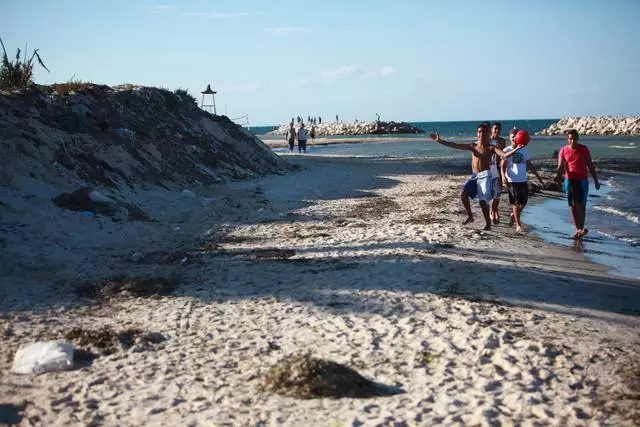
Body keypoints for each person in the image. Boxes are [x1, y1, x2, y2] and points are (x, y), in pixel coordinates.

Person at [429, 123, 522, 230]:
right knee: (463, 195)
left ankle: (488, 223)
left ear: (488, 134)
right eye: (479, 131)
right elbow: (455, 145)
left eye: (484, 132)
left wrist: (516, 149)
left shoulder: (491, 148)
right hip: (474, 175)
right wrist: (440, 141)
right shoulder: (473, 146)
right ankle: (470, 216)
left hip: (486, 176)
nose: (481, 133)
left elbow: (504, 155)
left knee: (483, 201)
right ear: (477, 133)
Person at [555, 129, 600, 239]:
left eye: (574, 139)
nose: (572, 141)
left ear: (577, 139)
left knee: (581, 205)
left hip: (582, 181)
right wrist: (558, 177)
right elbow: (560, 166)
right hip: (569, 180)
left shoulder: (584, 149)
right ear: (567, 139)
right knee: (572, 206)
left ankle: (580, 229)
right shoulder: (563, 150)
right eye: (570, 139)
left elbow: (590, 165)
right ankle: (578, 230)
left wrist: (596, 180)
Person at [501, 129, 545, 232]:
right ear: (509, 138)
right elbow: (502, 165)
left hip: (523, 180)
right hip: (512, 180)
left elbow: (529, 164)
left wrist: (539, 178)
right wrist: (503, 176)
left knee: (524, 202)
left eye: (515, 136)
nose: (514, 138)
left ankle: (514, 215)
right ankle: (518, 225)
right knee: (516, 203)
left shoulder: (524, 150)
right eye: (512, 136)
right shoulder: (506, 150)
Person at [489, 122, 506, 224]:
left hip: (497, 167)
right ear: (492, 129)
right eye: (495, 129)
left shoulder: (502, 141)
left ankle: (495, 210)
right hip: (489, 167)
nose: (497, 131)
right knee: (490, 191)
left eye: (499, 129)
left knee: (498, 191)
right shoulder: (488, 140)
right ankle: (492, 210)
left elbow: (503, 155)